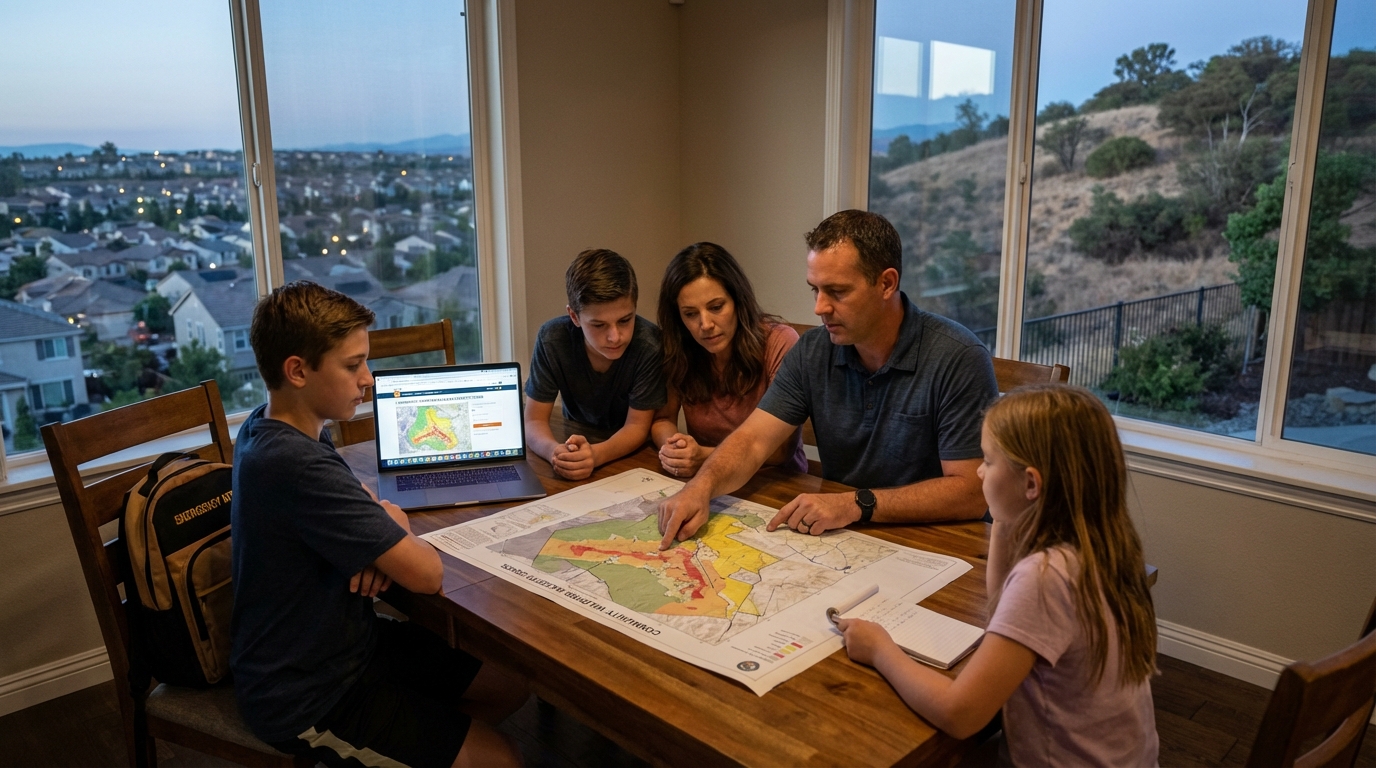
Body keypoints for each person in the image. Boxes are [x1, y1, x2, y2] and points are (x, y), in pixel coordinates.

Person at [231, 281, 527, 767]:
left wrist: (378, 535)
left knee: (511, 680)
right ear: (297, 370)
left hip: (354, 645)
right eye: (353, 366)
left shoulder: (277, 425)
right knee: (505, 759)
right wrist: (389, 531)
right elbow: (426, 573)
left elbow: (361, 502)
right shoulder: (294, 462)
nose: (368, 379)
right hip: (309, 693)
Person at [839, 384, 1160, 766]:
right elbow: (999, 608)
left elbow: (960, 714)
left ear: (1031, 484)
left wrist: (880, 649)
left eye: (988, 462)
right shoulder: (1101, 547)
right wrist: (1005, 513)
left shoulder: (1046, 577)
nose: (978, 471)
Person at [657, 210, 998, 549]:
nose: (819, 307)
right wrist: (699, 488)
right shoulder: (813, 351)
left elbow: (972, 492)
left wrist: (856, 504)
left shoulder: (958, 357)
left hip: (938, 542)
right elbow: (752, 442)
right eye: (815, 290)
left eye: (837, 291)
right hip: (844, 537)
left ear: (886, 283)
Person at [652, 242, 807, 477]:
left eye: (716, 307)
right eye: (690, 314)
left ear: (738, 301)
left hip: (773, 481)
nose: (705, 324)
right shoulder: (680, 347)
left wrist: (704, 456)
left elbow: (780, 451)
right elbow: (663, 419)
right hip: (708, 479)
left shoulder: (779, 342)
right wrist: (674, 448)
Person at [524, 248, 667, 480]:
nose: (615, 337)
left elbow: (637, 427)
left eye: (625, 320)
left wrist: (595, 455)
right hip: (573, 438)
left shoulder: (648, 345)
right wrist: (554, 452)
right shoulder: (552, 340)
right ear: (574, 317)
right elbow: (534, 419)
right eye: (599, 325)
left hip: (631, 455)